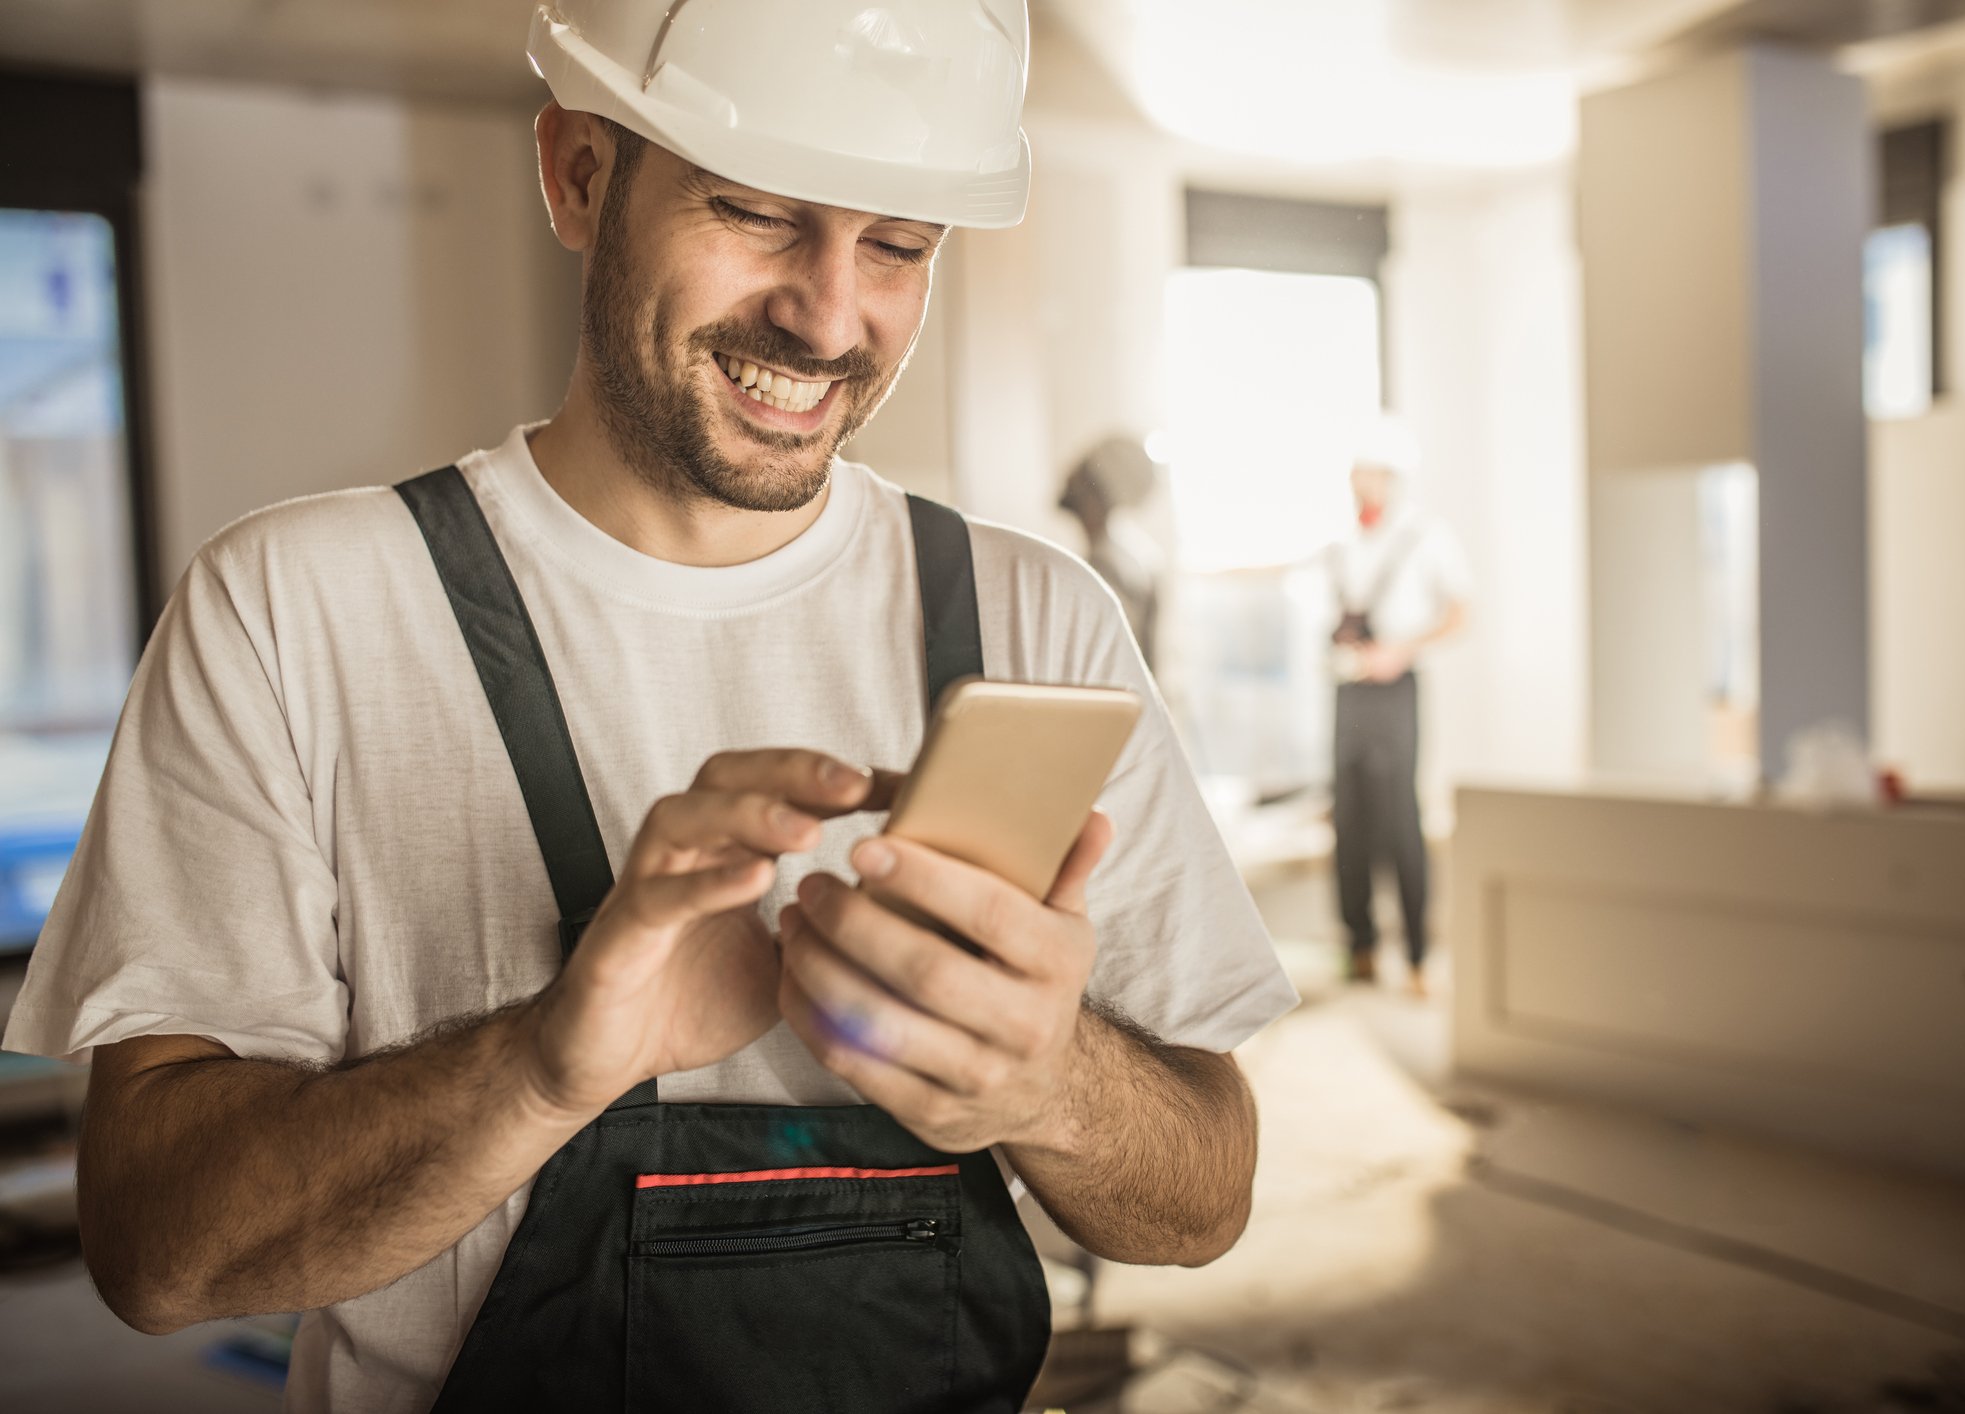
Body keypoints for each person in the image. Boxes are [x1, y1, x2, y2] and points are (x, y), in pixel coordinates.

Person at [0, 4, 1298, 1411]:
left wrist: (1049, 1084)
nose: (827, 311)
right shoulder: (292, 610)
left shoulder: (1033, 621)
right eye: (754, 213)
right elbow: (150, 1251)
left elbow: (1206, 1195)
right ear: (573, 171)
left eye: (899, 246)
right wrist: (546, 1062)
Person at [1327, 426, 1471, 997]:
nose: (1358, 480)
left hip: (1395, 687)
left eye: (1369, 469)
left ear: (1389, 476)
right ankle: (1359, 946)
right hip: (1347, 687)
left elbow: (1461, 611)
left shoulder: (1424, 536)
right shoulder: (1340, 541)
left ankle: (1417, 954)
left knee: (1398, 819)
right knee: (1350, 818)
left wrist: (1400, 650)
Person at [1057, 434, 1165, 670]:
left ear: (1095, 493)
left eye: (1082, 470)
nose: (1068, 473)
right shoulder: (1120, 558)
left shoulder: (1110, 568)